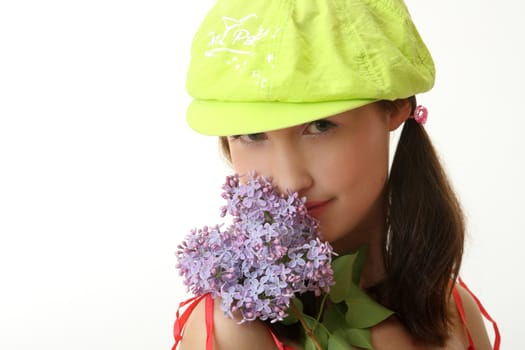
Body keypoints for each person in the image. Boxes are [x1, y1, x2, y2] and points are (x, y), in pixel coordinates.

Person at [173, 0, 500, 349]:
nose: (289, 181)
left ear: (396, 107)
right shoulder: (236, 328)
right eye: (253, 135)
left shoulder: (452, 313)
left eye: (320, 126)